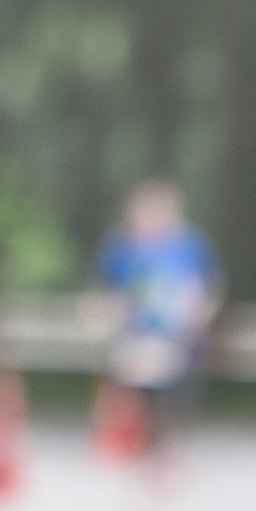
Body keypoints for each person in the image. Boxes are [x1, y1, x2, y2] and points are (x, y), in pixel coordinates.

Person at [93, 178, 222, 464]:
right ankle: (142, 441)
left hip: (179, 336)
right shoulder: (120, 248)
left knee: (175, 385)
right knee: (138, 382)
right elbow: (107, 293)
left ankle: (166, 443)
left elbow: (209, 288)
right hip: (136, 335)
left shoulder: (191, 246)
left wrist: (197, 318)